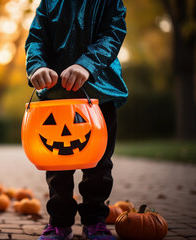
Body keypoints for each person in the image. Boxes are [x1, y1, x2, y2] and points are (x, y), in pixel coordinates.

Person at [24, 0, 128, 239]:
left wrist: (86, 65)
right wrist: (37, 66)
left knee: (99, 165)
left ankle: (95, 221)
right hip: (57, 99)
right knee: (57, 168)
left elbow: (112, 34)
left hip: (100, 95)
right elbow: (36, 38)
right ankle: (59, 222)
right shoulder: (49, 2)